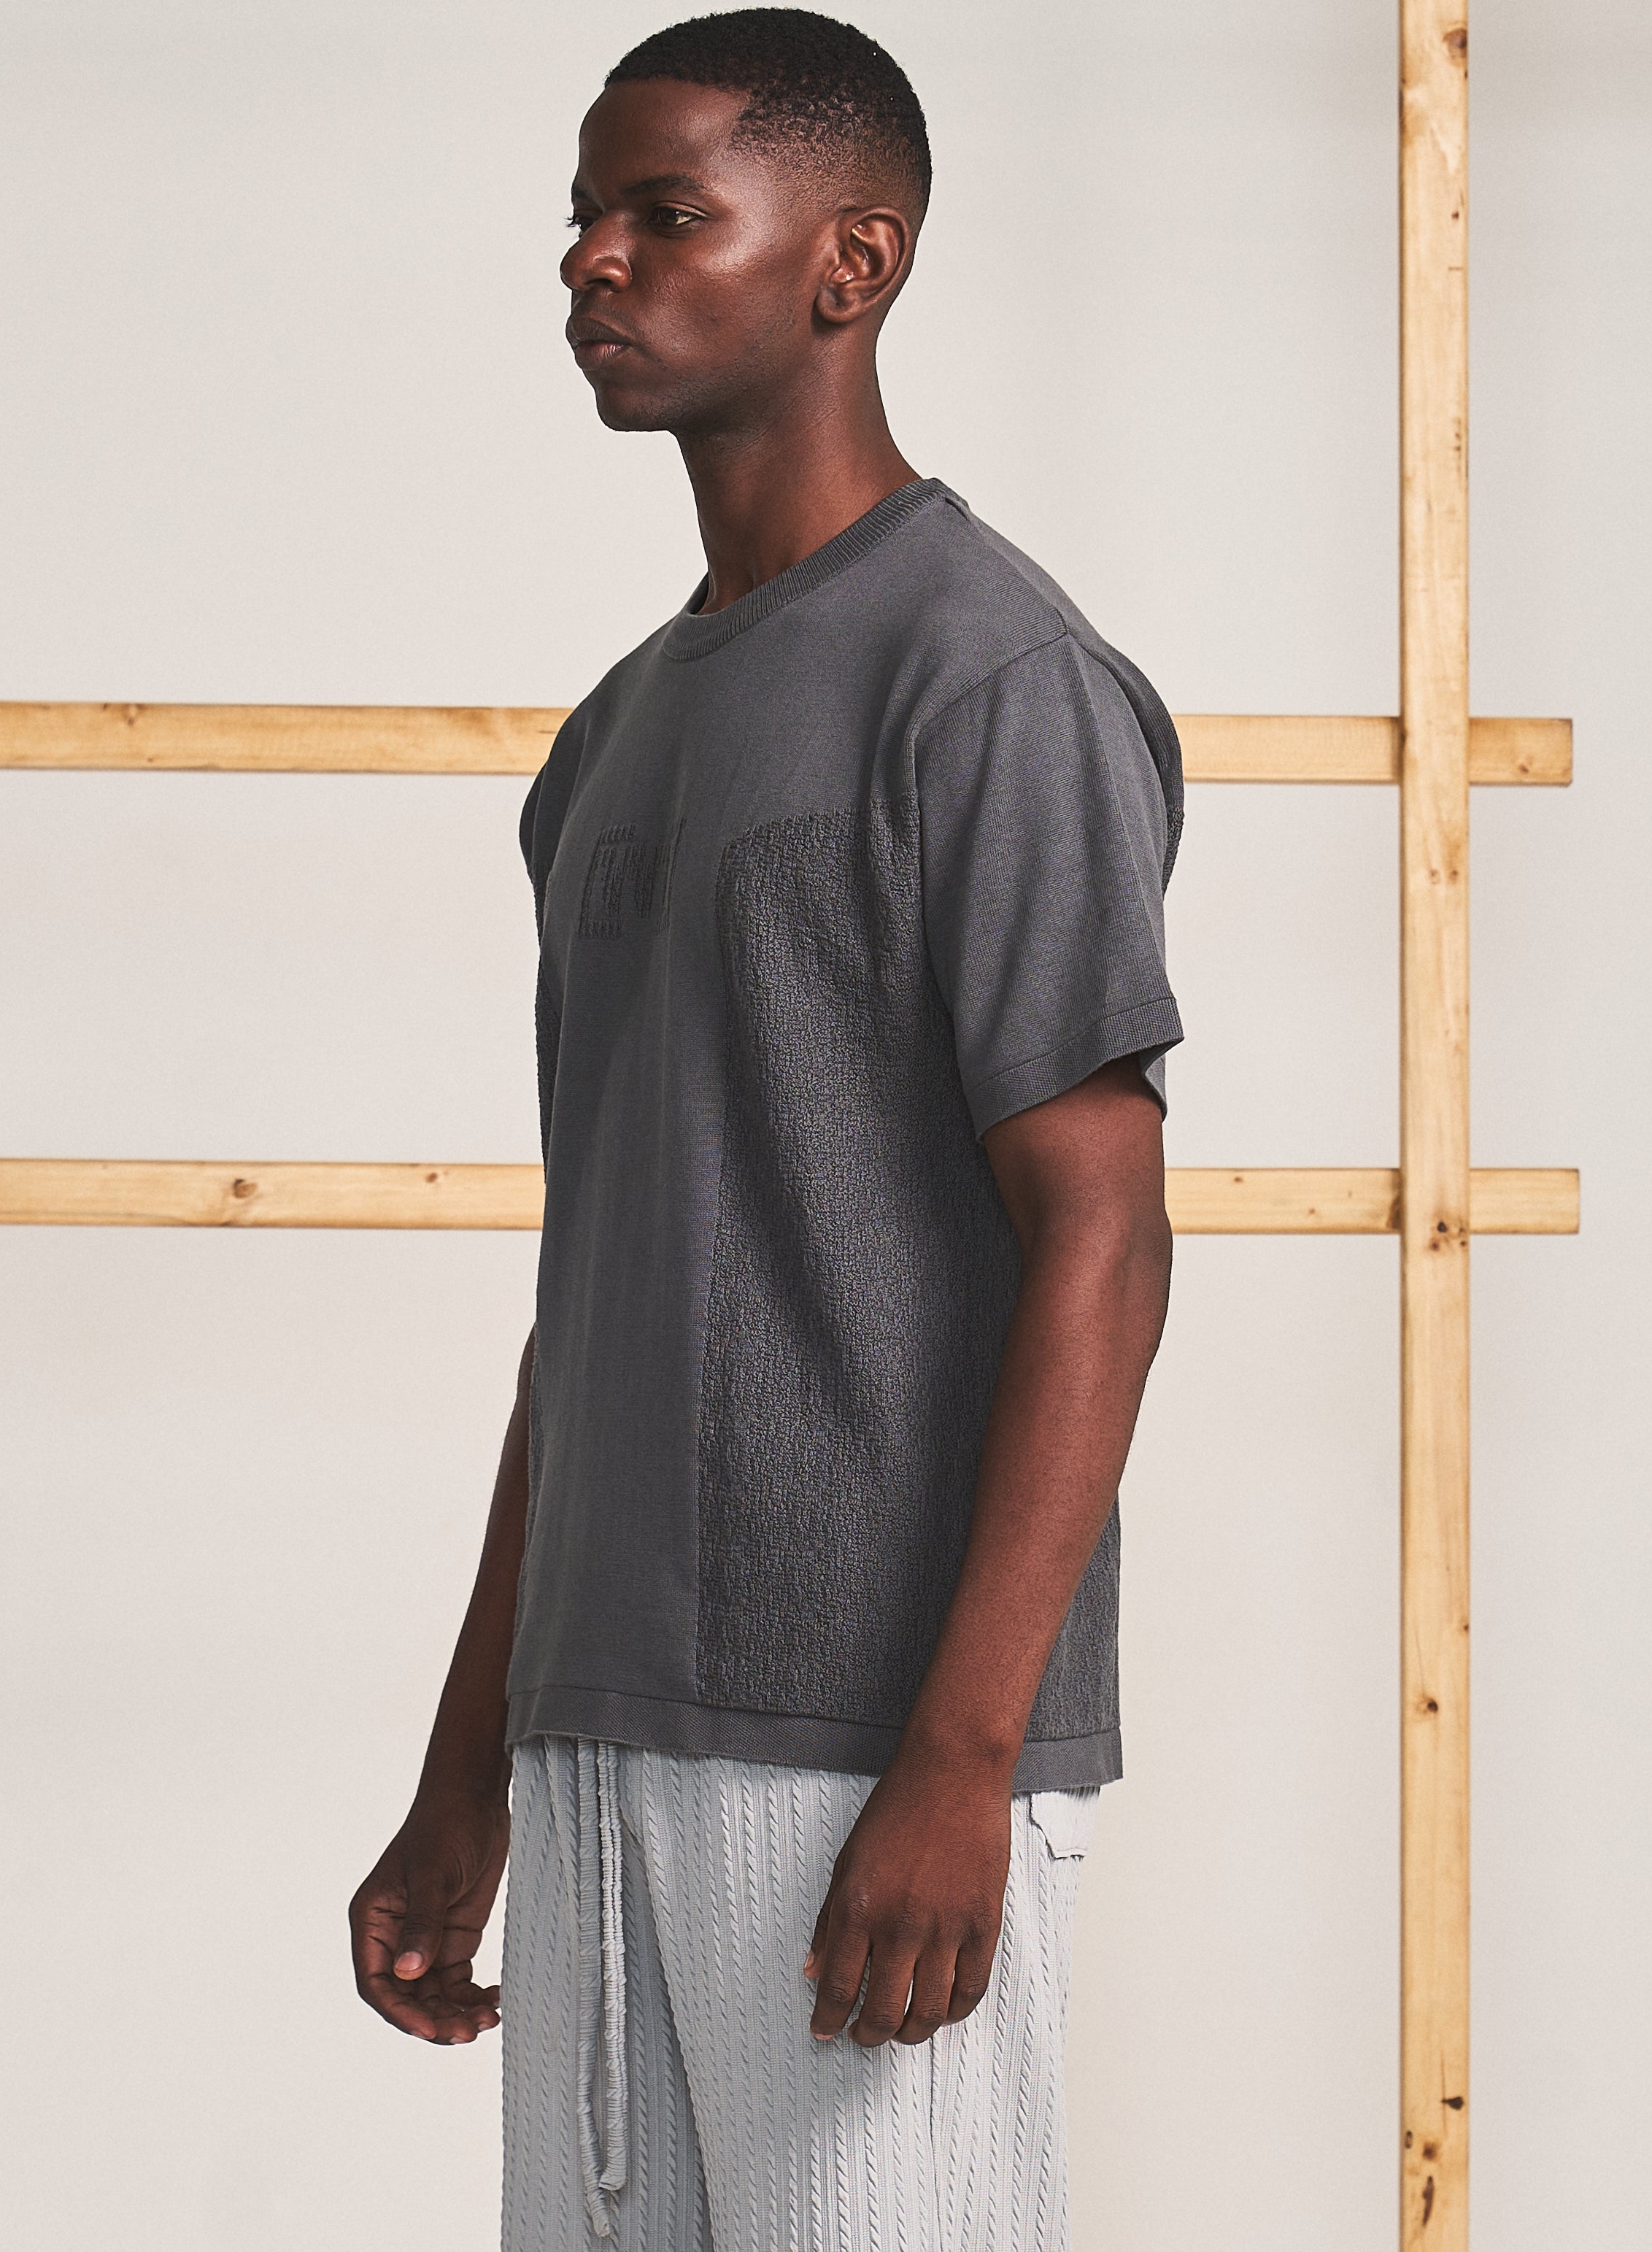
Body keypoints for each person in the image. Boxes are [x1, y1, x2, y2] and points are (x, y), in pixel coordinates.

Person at [348, 12, 1184, 2247]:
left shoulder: (989, 683)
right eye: (583, 220)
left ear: (851, 261)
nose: (592, 264)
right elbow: (597, 1296)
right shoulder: (615, 737)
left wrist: (962, 1759)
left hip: (864, 1744)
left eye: (664, 214)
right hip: (598, 1730)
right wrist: (468, 1773)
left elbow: (1104, 1238)